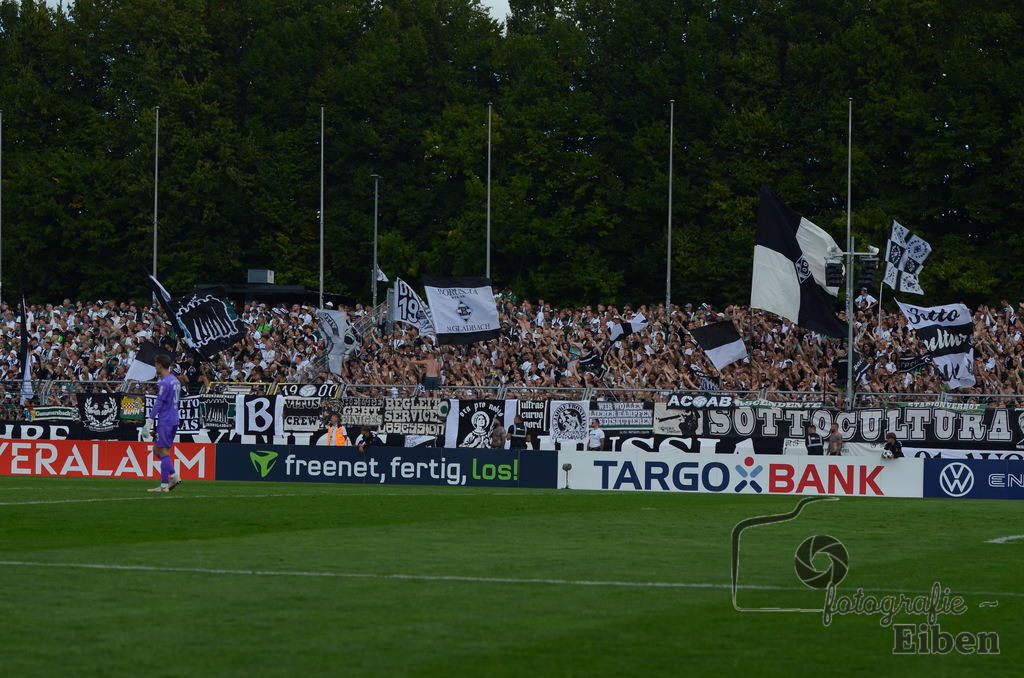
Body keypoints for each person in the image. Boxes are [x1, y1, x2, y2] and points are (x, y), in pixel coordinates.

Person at [146, 354, 182, 492]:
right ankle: (173, 475)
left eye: (156, 365)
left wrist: (150, 421)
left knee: (164, 451)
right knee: (157, 449)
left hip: (165, 421)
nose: (155, 368)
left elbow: (158, 403)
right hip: (174, 419)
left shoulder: (165, 383)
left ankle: (164, 485)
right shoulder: (175, 381)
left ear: (160, 366)